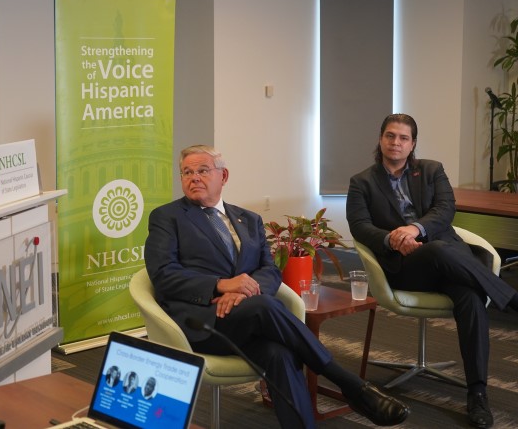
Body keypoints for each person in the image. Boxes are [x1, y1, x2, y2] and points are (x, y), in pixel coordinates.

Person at [145, 144, 409, 429]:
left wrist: (242, 290)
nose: (193, 177)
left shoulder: (248, 219)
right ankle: (348, 383)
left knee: (281, 354)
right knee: (264, 306)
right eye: (187, 172)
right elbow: (163, 274)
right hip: (202, 322)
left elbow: (269, 270)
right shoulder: (167, 218)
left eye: (202, 170)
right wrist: (221, 285)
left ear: (223, 176)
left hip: (247, 316)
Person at [346, 113, 518, 429]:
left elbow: (444, 211)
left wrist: (414, 229)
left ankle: (478, 394)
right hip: (406, 266)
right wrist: (393, 239)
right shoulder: (363, 181)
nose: (395, 142)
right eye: (390, 136)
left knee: (471, 296)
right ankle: (510, 297)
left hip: (447, 258)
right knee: (438, 249)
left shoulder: (430, 170)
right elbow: (359, 226)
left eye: (403, 138)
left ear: (413, 144)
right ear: (381, 138)